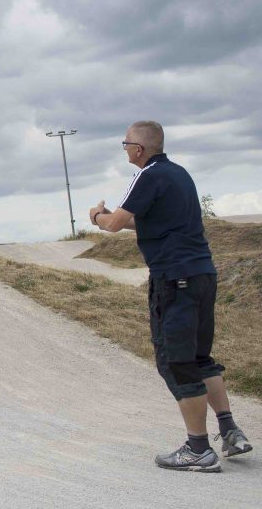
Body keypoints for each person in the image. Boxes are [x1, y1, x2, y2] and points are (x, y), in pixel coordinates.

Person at [89, 120, 252, 472]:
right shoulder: (179, 174)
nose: (125, 149)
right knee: (198, 356)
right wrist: (112, 218)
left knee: (176, 362)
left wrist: (97, 216)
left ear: (139, 149)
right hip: (201, 274)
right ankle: (230, 430)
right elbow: (145, 221)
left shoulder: (147, 175)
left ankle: (198, 449)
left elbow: (115, 223)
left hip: (174, 279)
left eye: (126, 144)